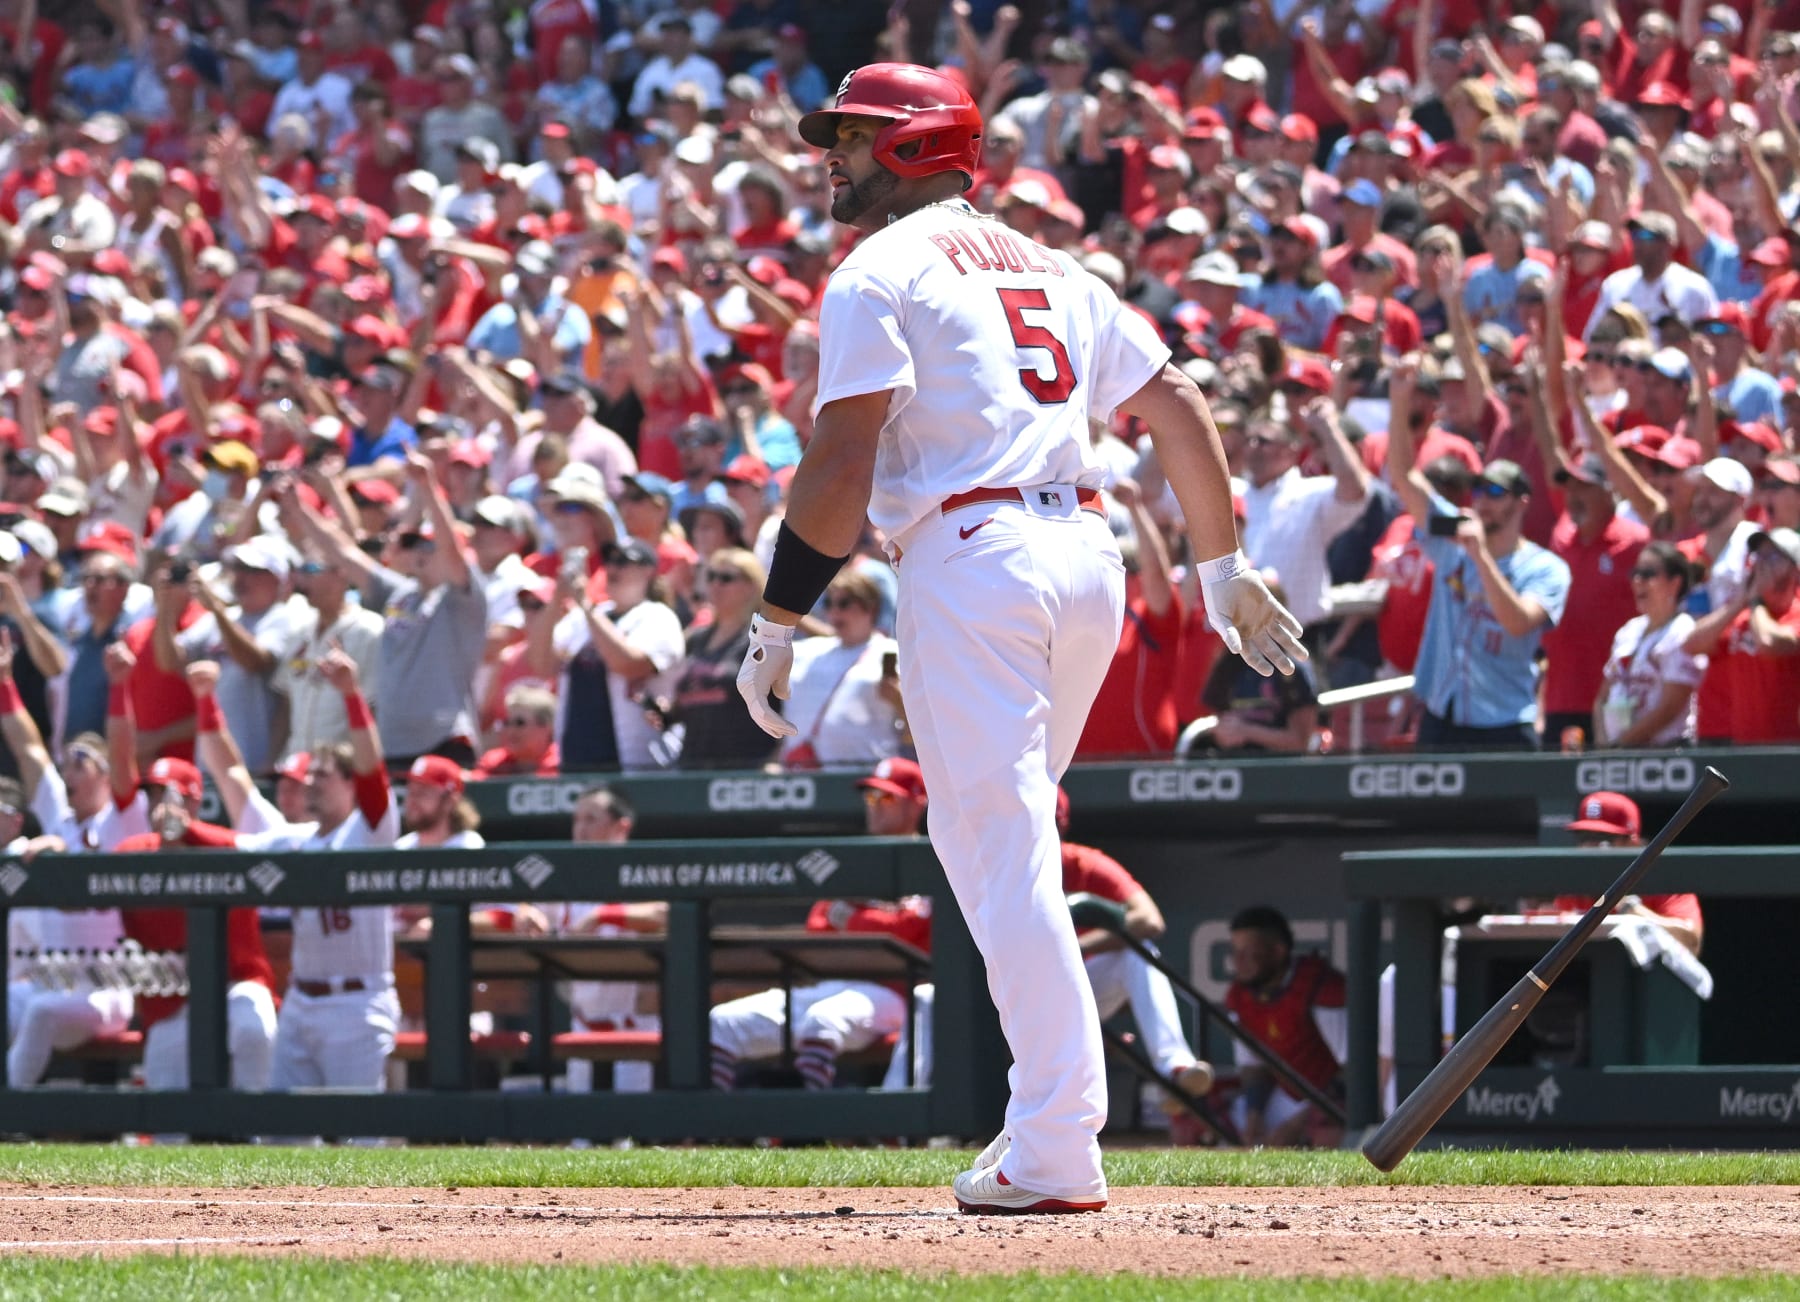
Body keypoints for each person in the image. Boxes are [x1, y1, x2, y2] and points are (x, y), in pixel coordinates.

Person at [734, 64, 1303, 1215]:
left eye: (848, 136)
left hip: (974, 554)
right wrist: (1223, 569)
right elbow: (1179, 401)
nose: (827, 157)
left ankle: (1056, 1140)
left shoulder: (879, 268)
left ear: (911, 145)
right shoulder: (1053, 265)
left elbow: (839, 469)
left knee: (1000, 852)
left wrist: (778, 614)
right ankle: (1038, 1124)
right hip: (1081, 554)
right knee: (1009, 846)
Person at [189, 645, 402, 1096]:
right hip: (302, 1000)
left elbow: (374, 773)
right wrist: (181, 828)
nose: (310, 784)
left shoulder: (370, 832)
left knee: (359, 1141)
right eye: (309, 777)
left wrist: (350, 695)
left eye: (321, 775)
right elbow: (232, 840)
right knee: (284, 1137)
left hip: (356, 1001)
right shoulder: (297, 838)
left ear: (348, 784)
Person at [709, 758, 929, 1093]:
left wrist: (851, 919)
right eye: (870, 799)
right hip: (832, 983)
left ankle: (801, 1129)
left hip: (895, 992)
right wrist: (871, 923)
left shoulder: (930, 858)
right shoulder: (853, 858)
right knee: (720, 1023)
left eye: (887, 799)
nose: (875, 808)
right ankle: (712, 1131)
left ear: (917, 802)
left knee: (822, 1020)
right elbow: (818, 925)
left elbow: (906, 929)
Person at [1388, 360, 1571, 750]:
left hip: (1503, 723)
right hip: (1442, 714)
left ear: (1521, 503)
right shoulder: (1456, 533)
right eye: (1480, 491)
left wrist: (1480, 557)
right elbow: (1404, 475)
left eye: (1495, 494)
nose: (1483, 503)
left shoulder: (1546, 567)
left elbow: (1519, 623)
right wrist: (1399, 401)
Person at [558, 785, 666, 1100]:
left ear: (622, 826)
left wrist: (605, 915)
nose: (581, 828)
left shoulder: (642, 870)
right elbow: (529, 913)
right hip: (581, 1015)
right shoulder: (564, 874)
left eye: (591, 818)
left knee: (633, 1126)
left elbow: (665, 913)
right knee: (581, 1131)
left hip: (634, 1020)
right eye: (577, 819)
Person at [1223, 906, 1347, 1148]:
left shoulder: (1318, 986)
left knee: (1325, 1130)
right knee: (1211, 1117)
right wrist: (1254, 1115)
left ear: (1278, 952)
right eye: (1235, 951)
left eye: (1249, 952)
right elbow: (1253, 1067)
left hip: (1328, 1098)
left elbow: (1352, 1075)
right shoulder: (1240, 996)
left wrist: (1297, 1124)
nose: (1239, 961)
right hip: (1285, 1095)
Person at [1552, 792, 1704, 955]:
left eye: (1602, 839)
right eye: (1584, 838)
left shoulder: (1662, 877)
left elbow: (1691, 941)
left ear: (1632, 844)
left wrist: (1632, 910)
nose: (1589, 846)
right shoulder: (1574, 885)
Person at [778, 570, 901, 769]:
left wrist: (896, 698)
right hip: (806, 777)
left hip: (867, 776)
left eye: (844, 604)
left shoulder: (891, 652)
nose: (834, 612)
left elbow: (915, 727)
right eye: (828, 604)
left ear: (870, 607)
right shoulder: (808, 651)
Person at [1593, 541, 1705, 747]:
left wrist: (1623, 743)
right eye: (1635, 573)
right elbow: (1601, 699)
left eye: (1648, 574)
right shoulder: (1629, 631)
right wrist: (1603, 744)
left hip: (1667, 752)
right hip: (1618, 753)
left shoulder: (1682, 630)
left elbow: (1671, 706)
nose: (1638, 581)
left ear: (1674, 583)